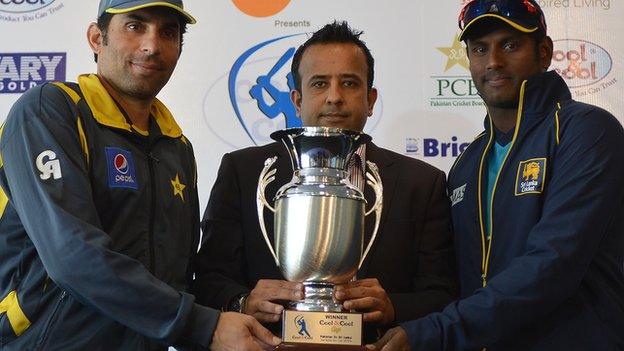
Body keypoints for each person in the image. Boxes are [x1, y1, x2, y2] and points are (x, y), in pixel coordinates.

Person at [0, 1, 279, 350]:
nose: (152, 45)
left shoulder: (176, 147)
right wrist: (204, 326)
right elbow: (73, 257)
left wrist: (235, 308)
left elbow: (177, 280)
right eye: (135, 26)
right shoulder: (51, 110)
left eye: (168, 32)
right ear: (96, 38)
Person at [372, 1, 624, 350]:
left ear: (545, 52)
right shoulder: (466, 165)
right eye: (479, 49)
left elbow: (554, 263)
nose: (493, 62)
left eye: (510, 44)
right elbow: (452, 284)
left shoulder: (585, 131)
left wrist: (434, 332)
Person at [193, 21, 457, 343]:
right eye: (319, 84)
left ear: (371, 99)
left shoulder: (422, 183)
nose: (334, 97)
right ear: (297, 99)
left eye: (349, 83)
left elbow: (442, 293)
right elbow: (208, 279)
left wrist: (393, 307)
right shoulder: (243, 170)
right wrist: (243, 302)